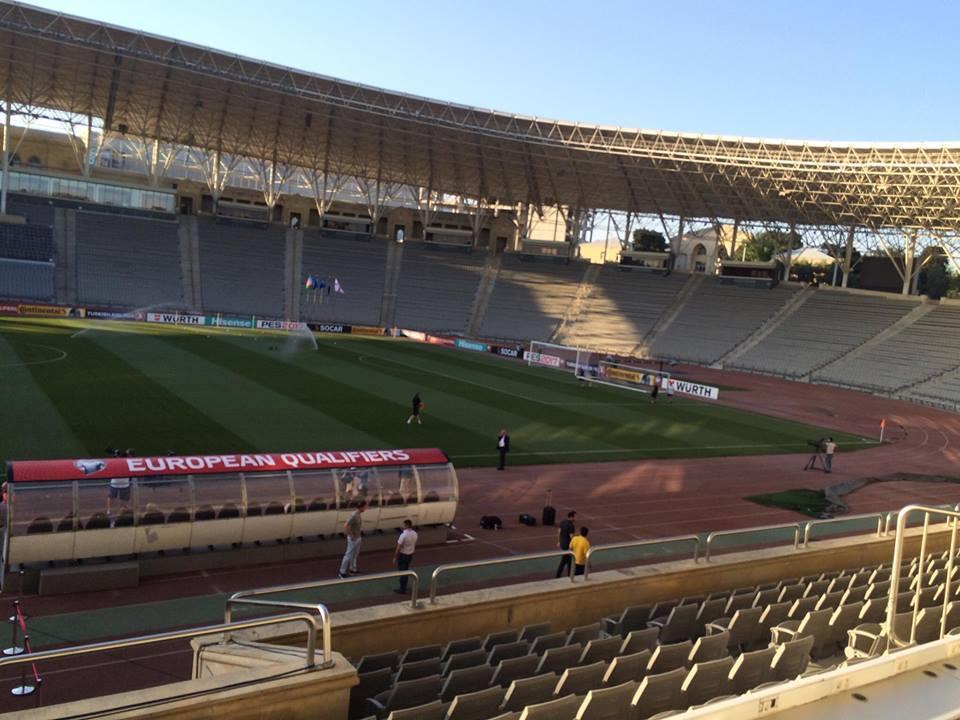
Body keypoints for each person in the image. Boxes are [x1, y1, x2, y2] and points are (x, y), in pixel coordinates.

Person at [338, 500, 367, 579]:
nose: (365, 508)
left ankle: (352, 569)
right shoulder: (354, 515)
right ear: (361, 507)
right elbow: (346, 525)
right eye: (365, 506)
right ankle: (342, 572)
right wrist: (351, 535)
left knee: (355, 554)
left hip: (357, 537)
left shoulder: (358, 514)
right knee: (348, 555)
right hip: (353, 539)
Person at [394, 519, 418, 594]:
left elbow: (398, 547)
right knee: (406, 570)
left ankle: (402, 588)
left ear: (406, 525)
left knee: (402, 572)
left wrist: (395, 557)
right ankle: (404, 586)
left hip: (403, 555)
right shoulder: (415, 534)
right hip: (410, 554)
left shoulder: (403, 535)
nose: (402, 526)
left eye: (403, 525)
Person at [556, 510, 577, 578]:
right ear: (571, 517)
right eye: (575, 517)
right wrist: (575, 545)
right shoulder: (571, 525)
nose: (575, 518)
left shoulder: (562, 522)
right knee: (565, 560)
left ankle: (568, 574)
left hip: (562, 544)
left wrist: (559, 541)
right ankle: (560, 575)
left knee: (568, 561)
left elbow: (559, 532)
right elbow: (571, 537)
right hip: (568, 546)